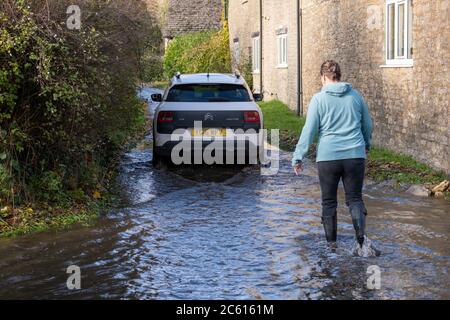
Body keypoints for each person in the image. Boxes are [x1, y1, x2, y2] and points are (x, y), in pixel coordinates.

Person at [292, 60, 373, 248]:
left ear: (323, 77)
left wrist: (298, 156)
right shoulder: (356, 96)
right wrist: (366, 145)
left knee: (328, 202)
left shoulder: (318, 99)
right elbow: (367, 125)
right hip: (354, 155)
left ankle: (331, 247)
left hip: (328, 158)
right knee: (355, 199)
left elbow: (309, 130)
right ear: (339, 76)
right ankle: (362, 242)